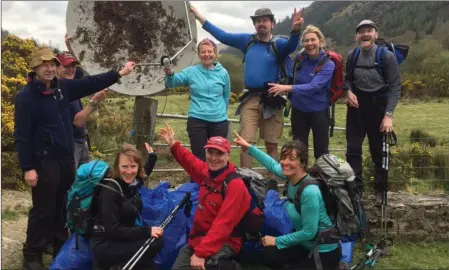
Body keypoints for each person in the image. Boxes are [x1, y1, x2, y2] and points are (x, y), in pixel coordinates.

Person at [13, 45, 135, 269]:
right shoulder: (26, 97)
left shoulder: (62, 88)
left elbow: (90, 83)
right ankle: (33, 254)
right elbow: (21, 135)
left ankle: (60, 247)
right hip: (43, 161)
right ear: (35, 68)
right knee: (43, 209)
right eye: (45, 65)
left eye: (52, 65)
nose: (50, 69)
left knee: (64, 205)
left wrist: (119, 73)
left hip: (65, 159)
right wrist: (27, 167)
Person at [189, 5, 303, 173]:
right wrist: (199, 17)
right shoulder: (247, 41)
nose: (261, 23)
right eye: (258, 21)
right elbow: (223, 36)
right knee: (245, 143)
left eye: (265, 20)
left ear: (273, 24)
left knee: (271, 144)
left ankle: (272, 183)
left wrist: (295, 31)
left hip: (272, 99)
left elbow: (291, 47)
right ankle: (246, 182)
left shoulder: (278, 44)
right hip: (250, 98)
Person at [234, 132, 340, 270]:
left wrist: (277, 240)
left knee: (274, 247)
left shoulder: (310, 192)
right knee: (269, 253)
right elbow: (272, 164)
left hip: (322, 251)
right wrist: (248, 147)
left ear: (302, 162)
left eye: (292, 158)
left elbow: (310, 232)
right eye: (283, 157)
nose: (285, 162)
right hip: (304, 245)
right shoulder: (291, 176)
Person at [159, 123, 252, 270]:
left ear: (228, 155)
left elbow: (224, 224)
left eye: (219, 153)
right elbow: (189, 161)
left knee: (210, 265)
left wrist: (201, 253)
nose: (214, 158)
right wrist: (173, 144)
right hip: (200, 237)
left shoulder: (235, 186)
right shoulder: (206, 172)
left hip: (227, 240)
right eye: (210, 152)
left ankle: (231, 266)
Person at [344, 20, 401, 201]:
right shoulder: (352, 56)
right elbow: (347, 80)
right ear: (356, 37)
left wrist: (388, 115)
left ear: (376, 34)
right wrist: (348, 91)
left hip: (379, 107)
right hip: (357, 107)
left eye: (369, 31)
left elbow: (395, 86)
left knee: (379, 151)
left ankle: (380, 192)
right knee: (353, 149)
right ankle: (356, 189)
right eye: (361, 32)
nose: (365, 34)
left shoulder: (386, 57)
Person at [267, 25, 335, 162]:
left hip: (319, 111)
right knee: (298, 151)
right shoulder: (300, 57)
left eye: (312, 40)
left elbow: (314, 86)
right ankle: (299, 181)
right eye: (306, 40)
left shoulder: (328, 64)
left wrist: (287, 87)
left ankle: (320, 181)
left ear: (320, 41)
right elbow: (292, 76)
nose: (309, 43)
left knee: (321, 151)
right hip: (299, 111)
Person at [90, 142, 162, 270]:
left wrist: (152, 156)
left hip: (121, 238)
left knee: (154, 252)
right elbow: (113, 230)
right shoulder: (110, 190)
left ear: (138, 167)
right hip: (105, 242)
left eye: (133, 166)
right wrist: (147, 230)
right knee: (153, 244)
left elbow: (144, 175)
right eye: (124, 167)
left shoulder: (130, 183)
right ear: (117, 167)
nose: (129, 172)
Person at [164, 38, 231, 161]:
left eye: (209, 51)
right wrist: (169, 74)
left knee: (217, 158)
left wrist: (222, 113)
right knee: (198, 158)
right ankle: (197, 181)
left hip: (219, 122)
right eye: (203, 52)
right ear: (199, 54)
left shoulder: (223, 73)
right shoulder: (191, 71)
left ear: (215, 53)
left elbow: (226, 96)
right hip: (197, 121)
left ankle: (217, 181)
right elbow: (173, 82)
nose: (206, 54)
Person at [56, 48, 108, 169]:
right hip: (70, 144)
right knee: (70, 182)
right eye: (66, 66)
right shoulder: (58, 91)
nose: (71, 69)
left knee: (83, 182)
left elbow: (79, 69)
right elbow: (78, 121)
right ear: (56, 68)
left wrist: (71, 47)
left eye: (73, 65)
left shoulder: (71, 83)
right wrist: (95, 101)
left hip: (81, 141)